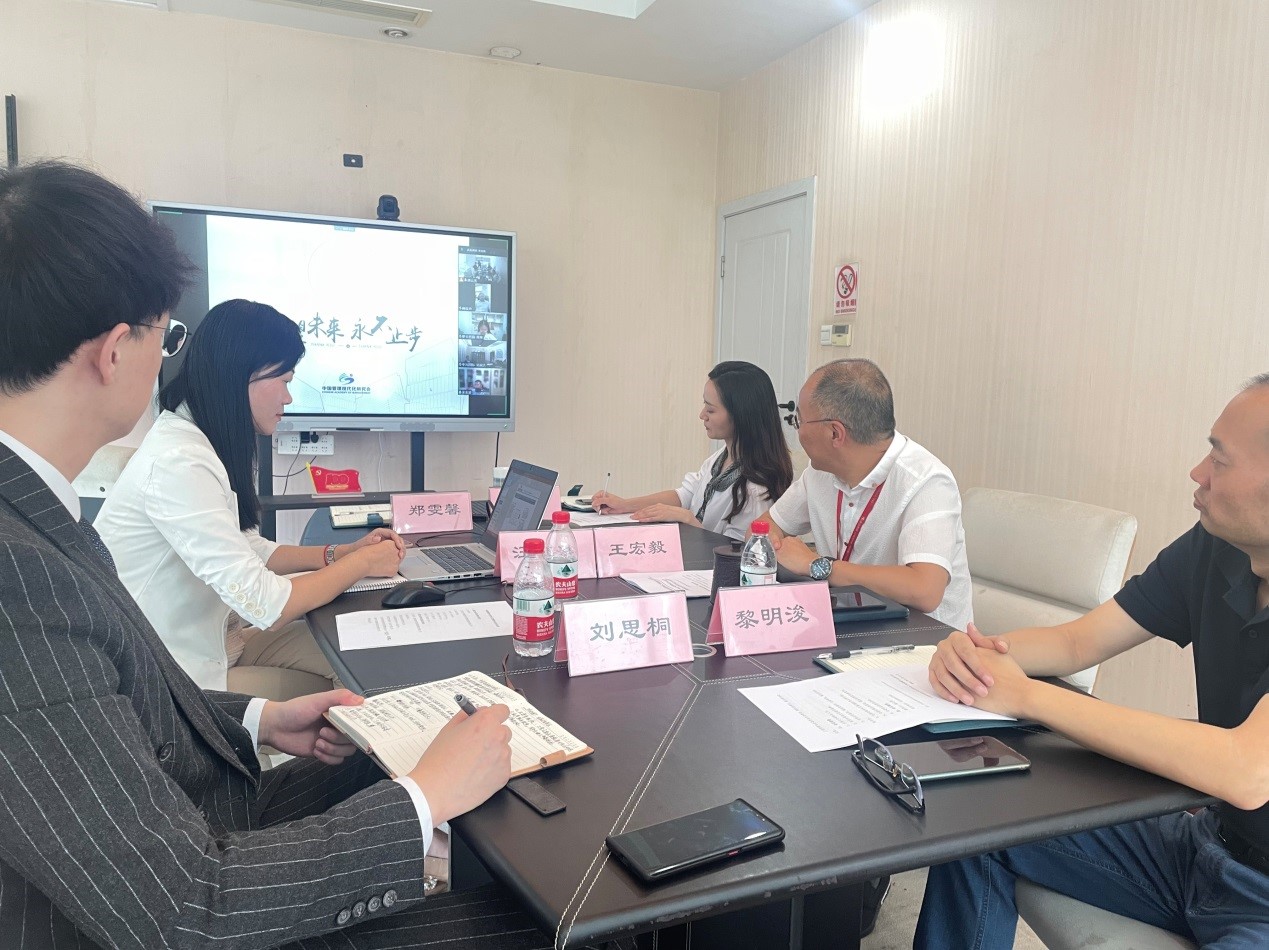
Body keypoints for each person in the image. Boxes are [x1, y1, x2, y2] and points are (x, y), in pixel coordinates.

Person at [0, 160, 549, 949]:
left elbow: (103, 707)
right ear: (114, 350)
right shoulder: (20, 578)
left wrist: (262, 717)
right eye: (166, 334)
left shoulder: (38, 512)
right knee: (534, 918)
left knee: (393, 750)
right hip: (184, 894)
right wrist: (421, 802)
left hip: (186, 817)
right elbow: (187, 911)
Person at [915, 378, 1269, 949]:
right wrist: (977, 653)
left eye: (1219, 461)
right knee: (978, 830)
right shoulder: (1215, 548)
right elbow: (1078, 643)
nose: (1198, 473)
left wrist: (1028, 696)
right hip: (1206, 843)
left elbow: (1247, 771)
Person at [95, 299, 405, 699]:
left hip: (221, 644)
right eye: (286, 380)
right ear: (244, 374)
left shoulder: (201, 441)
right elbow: (266, 605)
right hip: (173, 675)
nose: (288, 398)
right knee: (350, 688)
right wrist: (362, 563)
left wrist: (340, 553)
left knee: (362, 651)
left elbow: (245, 546)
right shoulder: (179, 461)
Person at [756, 358, 972, 629]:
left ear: (835, 433)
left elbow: (924, 590)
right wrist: (774, 547)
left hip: (920, 640)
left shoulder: (926, 481)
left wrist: (818, 565)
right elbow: (763, 528)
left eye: (798, 420)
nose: (796, 430)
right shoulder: (820, 472)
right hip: (846, 623)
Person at [591, 360, 794, 541]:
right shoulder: (721, 458)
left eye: (711, 410)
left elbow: (737, 554)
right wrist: (625, 505)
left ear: (741, 415)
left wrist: (689, 520)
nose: (702, 415)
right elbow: (685, 495)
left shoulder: (756, 490)